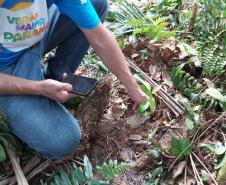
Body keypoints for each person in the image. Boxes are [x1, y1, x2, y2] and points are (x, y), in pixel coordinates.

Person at [0, 0, 148, 159]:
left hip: (30, 33)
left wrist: (133, 88)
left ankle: (55, 76)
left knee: (96, 4)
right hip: (7, 72)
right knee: (62, 140)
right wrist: (37, 88)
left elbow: (100, 37)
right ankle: (32, 98)